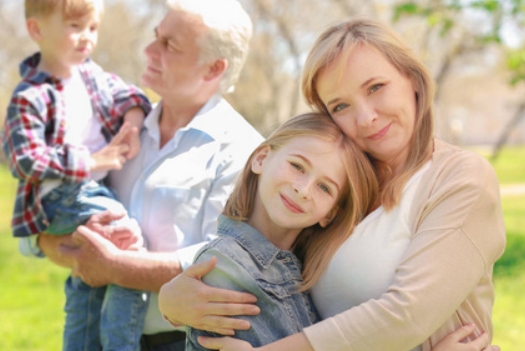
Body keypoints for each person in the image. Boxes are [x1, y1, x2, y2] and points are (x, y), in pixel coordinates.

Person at [157, 17, 506, 351]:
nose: (366, 117)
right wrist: (171, 301)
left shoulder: (461, 179)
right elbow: (259, 261)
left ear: (412, 79)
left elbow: (406, 315)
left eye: (376, 87)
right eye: (341, 105)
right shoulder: (331, 192)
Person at [34, 0, 264, 350]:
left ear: (213, 68)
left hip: (181, 343)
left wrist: (116, 267)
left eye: (169, 45)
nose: (148, 50)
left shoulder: (247, 152)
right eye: (156, 37)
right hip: (89, 336)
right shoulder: (116, 127)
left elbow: (222, 265)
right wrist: (75, 247)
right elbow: (44, 219)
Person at [3, 0, 152, 350]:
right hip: (60, 195)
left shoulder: (91, 75)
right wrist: (91, 159)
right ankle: (122, 344)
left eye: (92, 28)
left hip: (89, 191)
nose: (86, 38)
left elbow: (130, 94)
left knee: (91, 275)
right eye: (75, 27)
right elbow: (24, 160)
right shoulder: (30, 95)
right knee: (127, 244)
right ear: (37, 30)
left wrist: (131, 121)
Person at [182, 112, 378, 350]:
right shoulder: (226, 264)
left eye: (324, 187)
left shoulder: (307, 274)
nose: (303, 189)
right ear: (262, 159)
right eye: (297, 166)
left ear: (330, 214)